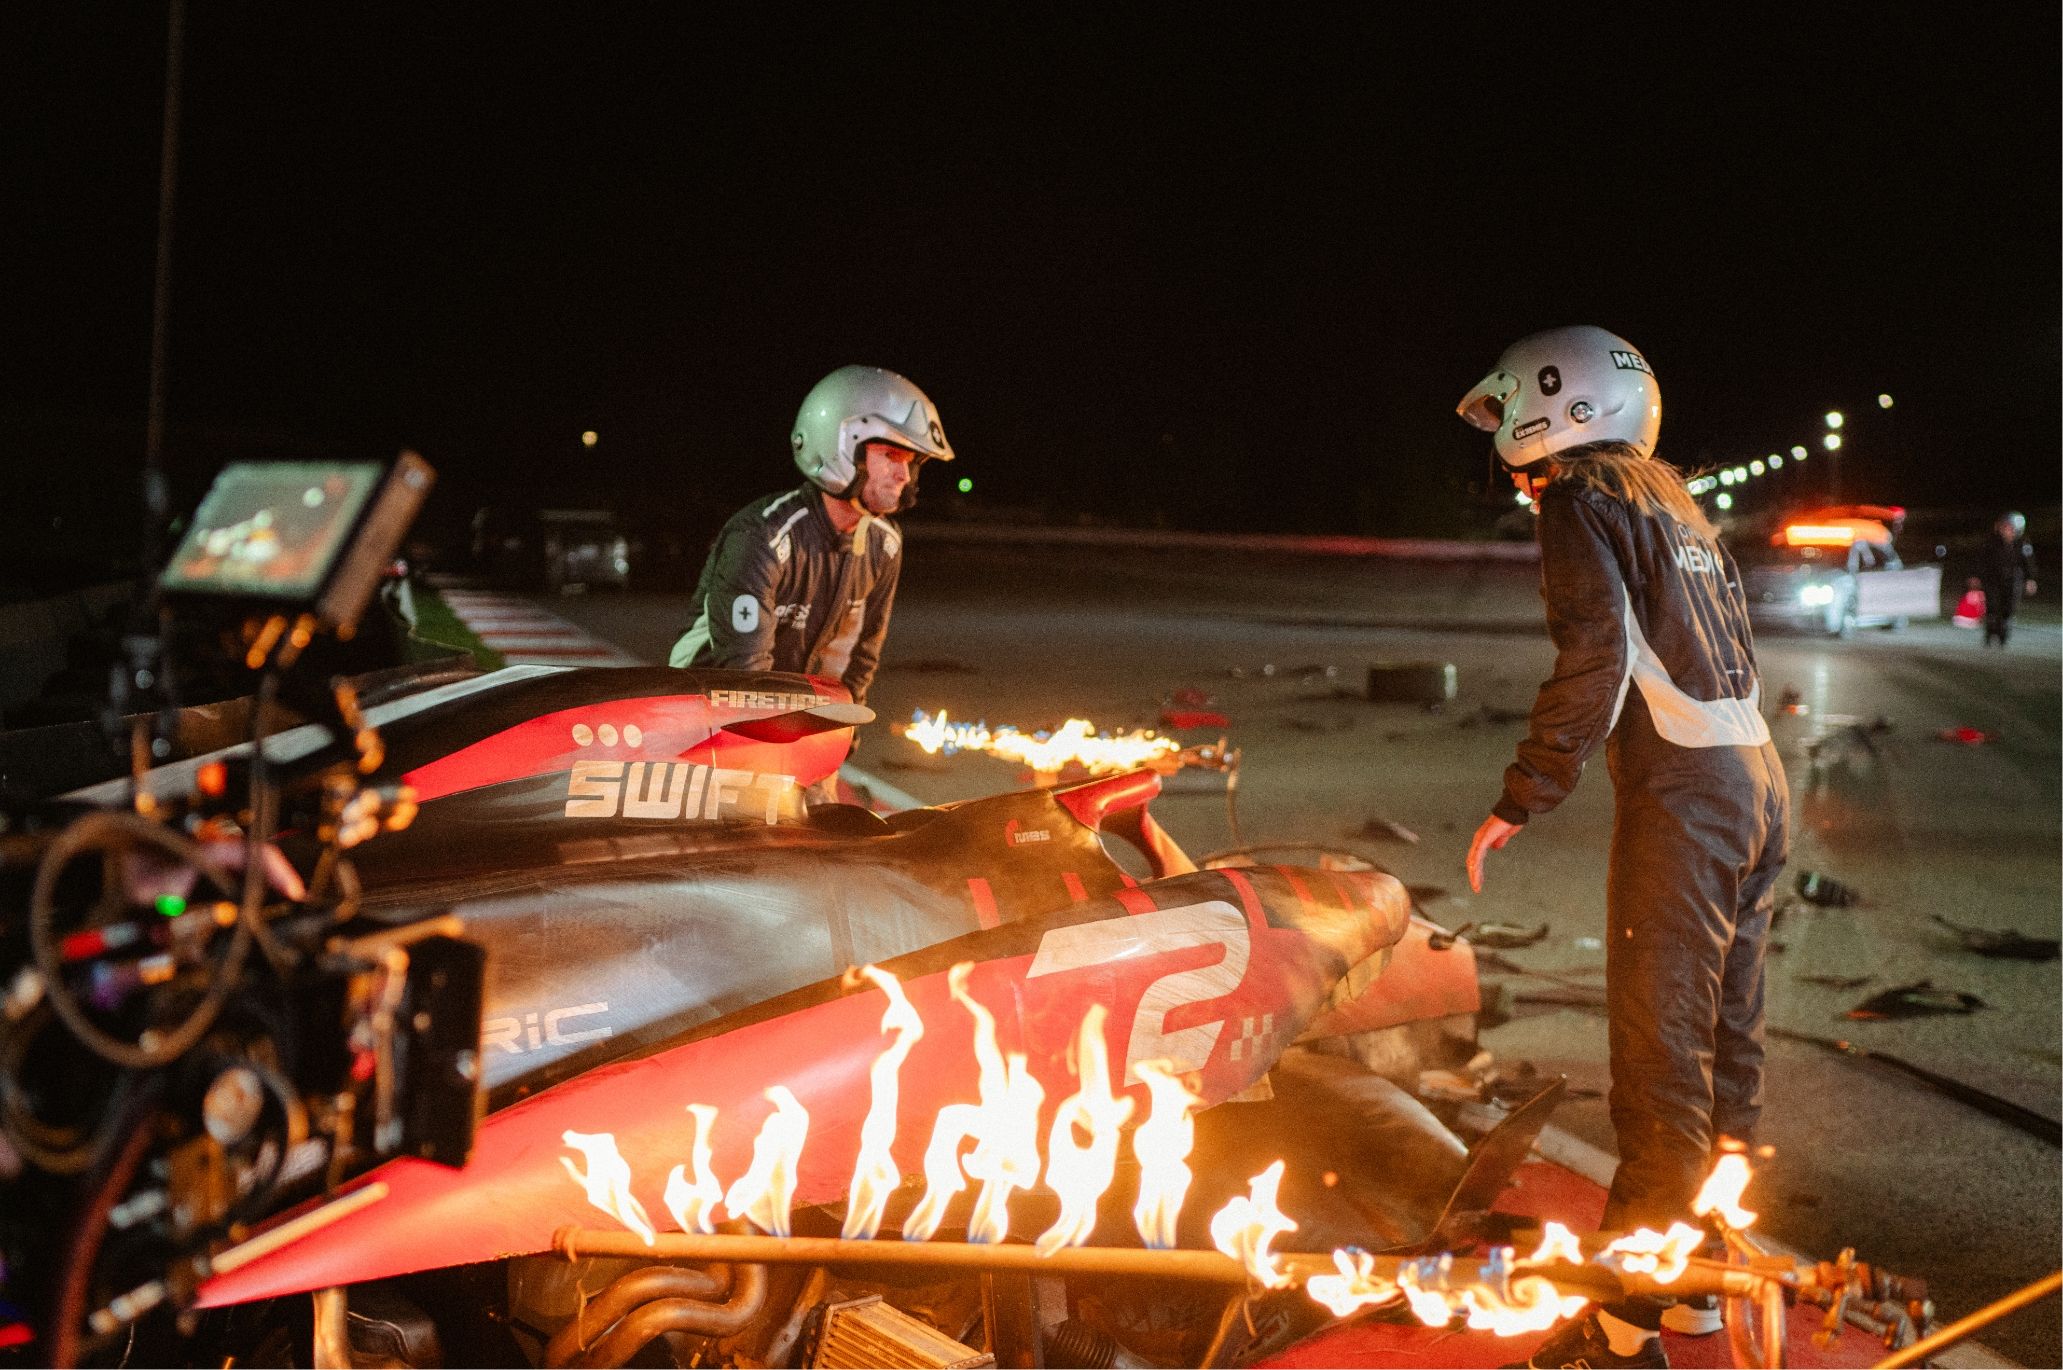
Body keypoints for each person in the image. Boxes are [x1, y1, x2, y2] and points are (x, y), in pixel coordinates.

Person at [1456, 326, 1788, 1370]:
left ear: (1557, 407)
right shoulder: (1679, 500)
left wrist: (1525, 790)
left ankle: (1617, 1329)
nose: (1511, 461)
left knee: (1658, 1075)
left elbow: (1593, 654)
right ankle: (1691, 1294)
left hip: (1688, 792)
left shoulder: (1580, 500)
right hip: (1761, 783)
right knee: (1725, 1059)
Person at [669, 365, 953, 705]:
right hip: (701, 719)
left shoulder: (884, 544)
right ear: (841, 446)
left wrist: (844, 727)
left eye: (912, 461)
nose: (904, 475)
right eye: (891, 455)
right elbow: (744, 673)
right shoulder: (763, 536)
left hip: (786, 726)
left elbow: (860, 655)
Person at [1976, 510, 2038, 648]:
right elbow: (1982, 561)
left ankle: (2003, 635)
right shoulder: (1991, 542)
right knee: (1992, 606)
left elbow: (2028, 563)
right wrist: (1977, 576)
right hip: (1993, 578)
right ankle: (1990, 634)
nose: (2006, 530)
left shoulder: (2023, 544)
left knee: (2008, 608)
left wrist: (2030, 579)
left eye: (2009, 527)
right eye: (2005, 526)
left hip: (2013, 579)